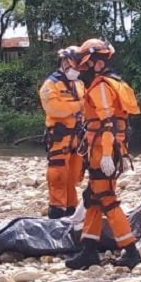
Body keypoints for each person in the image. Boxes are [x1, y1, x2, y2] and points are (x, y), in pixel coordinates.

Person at [65, 38, 141, 270]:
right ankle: (88, 249)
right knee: (93, 198)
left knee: (106, 199)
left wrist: (108, 154)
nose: (81, 68)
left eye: (85, 63)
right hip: (104, 149)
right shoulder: (113, 82)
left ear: (95, 62)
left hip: (103, 150)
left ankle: (130, 250)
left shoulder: (101, 86)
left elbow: (107, 123)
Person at [38, 46, 85, 219]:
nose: (77, 69)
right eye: (75, 64)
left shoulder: (79, 84)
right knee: (58, 175)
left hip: (77, 137)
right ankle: (57, 212)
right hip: (60, 137)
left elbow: (87, 106)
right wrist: (77, 106)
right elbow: (54, 108)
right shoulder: (50, 84)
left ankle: (71, 211)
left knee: (74, 177)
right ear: (65, 62)